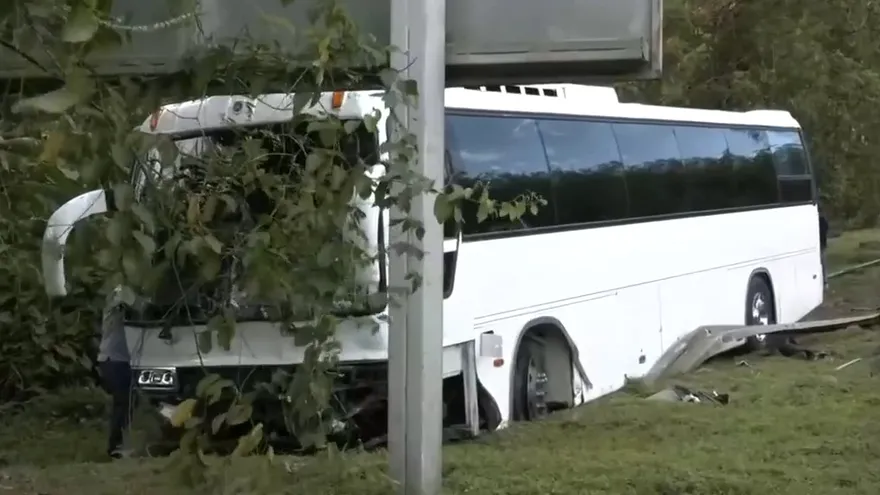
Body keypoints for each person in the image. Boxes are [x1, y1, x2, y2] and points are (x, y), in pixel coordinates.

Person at [97, 287, 134, 459]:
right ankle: (115, 447)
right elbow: (137, 305)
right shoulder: (120, 292)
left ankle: (123, 443)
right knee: (122, 401)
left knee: (128, 402)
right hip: (113, 359)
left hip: (122, 360)